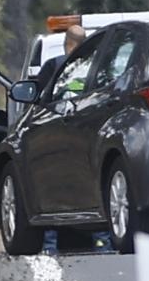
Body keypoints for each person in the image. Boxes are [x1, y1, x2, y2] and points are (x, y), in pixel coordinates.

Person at [35, 25, 113, 256]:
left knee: (51, 189)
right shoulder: (98, 68)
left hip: (56, 138)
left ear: (66, 44)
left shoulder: (54, 66)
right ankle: (102, 242)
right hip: (86, 138)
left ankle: (50, 246)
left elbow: (40, 101)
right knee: (91, 187)